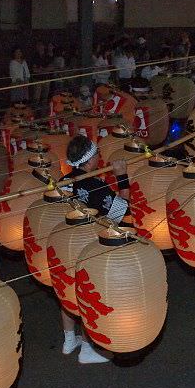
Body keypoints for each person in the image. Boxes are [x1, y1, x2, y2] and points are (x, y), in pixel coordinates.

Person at [59, 135, 131, 364]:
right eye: (97, 152)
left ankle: (69, 340)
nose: (101, 156)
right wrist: (122, 176)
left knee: (68, 291)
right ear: (90, 161)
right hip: (87, 246)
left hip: (64, 243)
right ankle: (88, 349)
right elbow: (119, 212)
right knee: (87, 293)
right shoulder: (95, 185)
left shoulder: (64, 181)